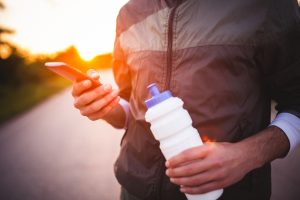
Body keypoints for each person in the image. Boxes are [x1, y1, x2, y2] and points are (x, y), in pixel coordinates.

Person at [72, 0, 300, 199]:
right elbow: (131, 107)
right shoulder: (128, 13)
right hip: (134, 190)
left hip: (229, 193)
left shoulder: (266, 4)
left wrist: (246, 155)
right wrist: (105, 107)